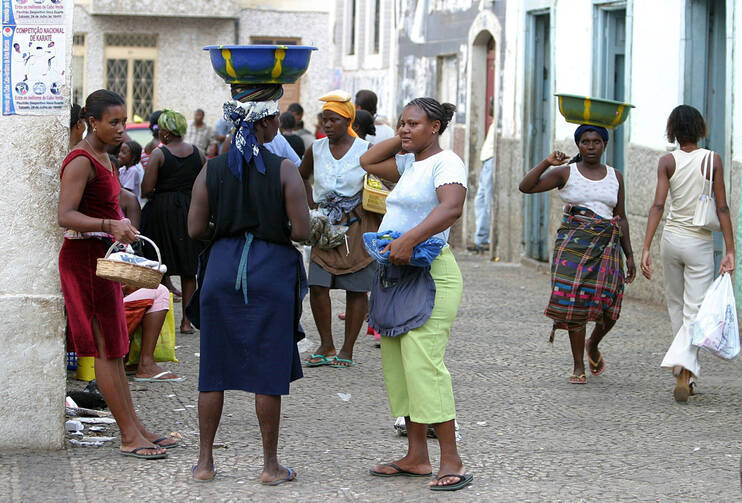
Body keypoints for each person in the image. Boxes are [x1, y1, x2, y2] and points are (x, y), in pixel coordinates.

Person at [187, 83, 309, 484]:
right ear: (268, 124)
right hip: (270, 272)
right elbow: (303, 231)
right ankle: (270, 466)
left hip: (221, 272)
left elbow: (194, 229)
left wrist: (226, 229)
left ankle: (205, 463)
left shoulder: (212, 168)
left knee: (213, 370)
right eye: (275, 118)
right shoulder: (284, 169)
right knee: (267, 371)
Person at [359, 97, 471, 491]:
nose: (405, 129)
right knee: (397, 364)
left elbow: (452, 207)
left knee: (424, 364)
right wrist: (402, 139)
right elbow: (368, 162)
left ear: (436, 127)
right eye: (402, 123)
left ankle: (451, 458)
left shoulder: (447, 162)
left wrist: (409, 238)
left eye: (415, 124)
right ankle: (416, 456)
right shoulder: (409, 163)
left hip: (431, 271)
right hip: (396, 272)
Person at [58, 89, 175, 460]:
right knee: (108, 352)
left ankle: (137, 428)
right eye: (113, 122)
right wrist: (111, 223)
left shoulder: (104, 157)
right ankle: (128, 436)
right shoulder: (80, 160)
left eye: (124, 121)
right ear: (92, 122)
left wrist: (118, 228)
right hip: (84, 261)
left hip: (103, 258)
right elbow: (65, 214)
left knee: (116, 346)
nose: (122, 129)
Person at [519, 124, 636, 384]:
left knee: (610, 306)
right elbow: (526, 187)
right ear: (578, 145)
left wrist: (629, 255)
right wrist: (546, 162)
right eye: (585, 141)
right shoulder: (565, 172)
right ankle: (578, 365)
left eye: (596, 141)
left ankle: (592, 344)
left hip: (607, 246)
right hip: (573, 246)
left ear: (604, 145)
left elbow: (622, 217)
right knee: (576, 302)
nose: (591, 146)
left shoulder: (616, 176)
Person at [641, 105, 735, 402]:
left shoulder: (667, 161)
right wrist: (731, 249)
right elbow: (722, 207)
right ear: (699, 129)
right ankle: (683, 370)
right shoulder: (712, 160)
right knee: (696, 308)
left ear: (673, 131)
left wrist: (645, 247)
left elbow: (658, 205)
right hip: (699, 242)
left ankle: (684, 369)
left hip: (671, 238)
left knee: (676, 305)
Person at [299, 90, 381, 368]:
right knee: (318, 284)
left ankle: (346, 349)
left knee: (356, 288)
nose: (327, 124)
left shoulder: (365, 150)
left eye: (333, 119)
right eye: (324, 120)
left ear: (348, 120)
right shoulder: (316, 149)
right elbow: (300, 177)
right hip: (323, 226)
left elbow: (379, 184)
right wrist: (311, 207)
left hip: (356, 226)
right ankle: (326, 344)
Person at [141, 109, 205, 334]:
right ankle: (186, 323)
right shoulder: (199, 153)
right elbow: (203, 185)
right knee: (189, 271)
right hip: (190, 211)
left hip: (162, 212)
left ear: (166, 132)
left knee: (158, 266)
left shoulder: (159, 155)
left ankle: (158, 324)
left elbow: (146, 189)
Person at [472, 119, 496, 251]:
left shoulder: (500, 120)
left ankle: (486, 239)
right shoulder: (494, 122)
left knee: (488, 201)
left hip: (491, 160)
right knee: (480, 200)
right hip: (486, 161)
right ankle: (481, 238)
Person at [118, 140, 144, 204]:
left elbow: (126, 191)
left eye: (124, 152)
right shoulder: (122, 169)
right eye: (120, 151)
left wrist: (116, 177)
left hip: (130, 204)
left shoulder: (133, 170)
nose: (119, 154)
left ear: (133, 157)